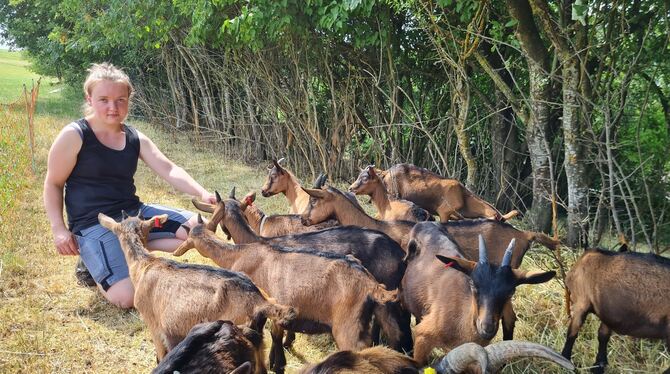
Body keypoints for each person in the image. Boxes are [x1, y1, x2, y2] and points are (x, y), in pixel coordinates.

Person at [43, 62, 216, 309]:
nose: (113, 107)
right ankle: (90, 262)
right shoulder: (74, 135)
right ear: (89, 98)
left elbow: (168, 168)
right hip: (93, 222)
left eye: (120, 100)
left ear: (128, 100)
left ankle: (131, 244)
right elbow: (53, 183)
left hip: (133, 215)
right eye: (104, 99)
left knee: (199, 231)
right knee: (128, 297)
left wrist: (202, 193)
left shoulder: (134, 137)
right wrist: (59, 229)